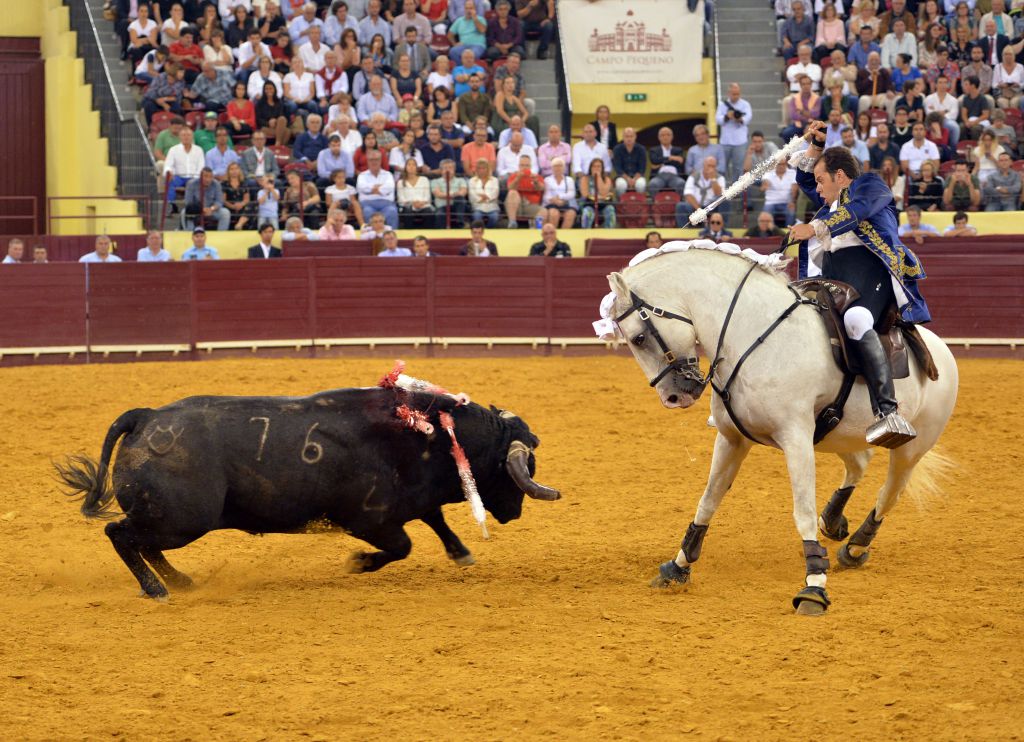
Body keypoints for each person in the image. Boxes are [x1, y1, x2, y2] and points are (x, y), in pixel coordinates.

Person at [787, 120, 929, 447]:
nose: (816, 189)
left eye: (822, 181)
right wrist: (816, 147)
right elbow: (805, 178)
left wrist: (814, 228)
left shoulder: (871, 186)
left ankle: (888, 410)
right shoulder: (831, 202)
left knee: (857, 319)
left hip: (871, 274)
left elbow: (857, 210)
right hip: (833, 277)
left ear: (840, 176)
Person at [715, 83, 752, 182]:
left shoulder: (745, 104)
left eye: (737, 94)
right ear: (729, 93)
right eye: (733, 94)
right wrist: (727, 116)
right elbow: (718, 120)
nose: (736, 96)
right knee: (722, 166)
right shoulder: (722, 105)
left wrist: (739, 119)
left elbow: (748, 118)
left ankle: (736, 188)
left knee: (738, 167)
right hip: (725, 141)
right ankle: (722, 186)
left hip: (740, 141)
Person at [675, 156, 726, 227]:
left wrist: (713, 179)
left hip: (711, 207)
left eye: (713, 166)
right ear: (704, 165)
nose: (711, 168)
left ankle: (722, 229)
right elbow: (688, 194)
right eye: (709, 165)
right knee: (681, 206)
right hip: (695, 206)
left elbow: (719, 194)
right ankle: (684, 230)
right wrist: (699, 210)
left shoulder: (720, 178)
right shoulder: (693, 176)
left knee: (725, 203)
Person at [356, 149, 399, 227]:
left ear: (380, 161)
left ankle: (392, 234)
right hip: (367, 204)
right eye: (371, 160)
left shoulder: (388, 174)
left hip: (387, 204)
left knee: (392, 211)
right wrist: (380, 188)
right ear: (367, 161)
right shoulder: (362, 175)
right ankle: (370, 234)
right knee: (367, 211)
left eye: (376, 159)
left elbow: (389, 188)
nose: (374, 162)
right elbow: (362, 188)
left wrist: (371, 190)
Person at [504, 154, 544, 227]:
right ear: (519, 166)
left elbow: (541, 188)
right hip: (516, 205)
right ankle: (512, 223)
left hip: (531, 206)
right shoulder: (514, 176)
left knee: (544, 211)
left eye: (527, 165)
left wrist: (536, 182)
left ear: (530, 166)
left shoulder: (536, 177)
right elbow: (510, 188)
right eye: (522, 165)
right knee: (512, 192)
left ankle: (537, 229)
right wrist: (518, 178)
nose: (524, 167)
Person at [578, 158, 616, 229]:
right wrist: (601, 197)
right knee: (587, 213)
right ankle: (586, 233)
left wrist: (598, 177)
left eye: (599, 166)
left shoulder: (607, 179)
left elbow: (603, 191)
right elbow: (585, 194)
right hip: (589, 203)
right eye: (594, 166)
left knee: (610, 210)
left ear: (602, 168)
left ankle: (609, 233)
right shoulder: (585, 179)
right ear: (590, 168)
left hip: (604, 204)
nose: (596, 168)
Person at [648, 127, 686, 195]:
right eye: (663, 135)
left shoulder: (678, 150)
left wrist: (661, 163)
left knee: (681, 184)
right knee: (652, 184)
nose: (665, 137)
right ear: (659, 137)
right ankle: (655, 202)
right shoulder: (653, 150)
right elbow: (655, 160)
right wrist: (671, 158)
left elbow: (679, 163)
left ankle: (678, 201)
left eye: (668, 135)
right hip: (659, 176)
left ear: (672, 137)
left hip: (674, 176)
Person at [431, 159, 469, 228]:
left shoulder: (461, 180)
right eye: (445, 168)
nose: (448, 170)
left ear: (454, 169)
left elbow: (463, 192)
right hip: (442, 206)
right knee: (440, 215)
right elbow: (438, 194)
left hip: (457, 206)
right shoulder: (435, 181)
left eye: (450, 168)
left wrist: (448, 195)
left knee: (460, 199)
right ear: (441, 170)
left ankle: (460, 224)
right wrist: (453, 194)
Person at [541, 158, 577, 229]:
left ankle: (564, 233)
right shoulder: (547, 180)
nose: (558, 168)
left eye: (560, 166)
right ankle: (552, 233)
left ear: (564, 168)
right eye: (555, 166)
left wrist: (560, 197)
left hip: (566, 203)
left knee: (571, 214)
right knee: (554, 213)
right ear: (552, 168)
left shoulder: (569, 180)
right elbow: (546, 196)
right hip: (551, 204)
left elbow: (571, 194)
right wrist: (555, 201)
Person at [612, 127, 647, 197]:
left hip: (637, 176)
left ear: (635, 137)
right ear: (623, 137)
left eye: (631, 136)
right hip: (622, 176)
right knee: (621, 185)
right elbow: (618, 168)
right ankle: (620, 202)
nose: (629, 139)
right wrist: (628, 179)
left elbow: (642, 168)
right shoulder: (617, 149)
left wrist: (634, 180)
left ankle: (639, 202)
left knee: (641, 184)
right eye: (627, 136)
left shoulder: (641, 149)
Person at [468, 158, 500, 227]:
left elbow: (495, 193)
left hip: (492, 206)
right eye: (479, 168)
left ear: (487, 169)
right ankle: (480, 230)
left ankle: (488, 230)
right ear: (476, 169)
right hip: (477, 206)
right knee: (477, 216)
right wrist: (481, 198)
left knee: (494, 217)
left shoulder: (494, 180)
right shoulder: (472, 181)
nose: (481, 170)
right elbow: (472, 194)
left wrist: (486, 197)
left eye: (484, 168)